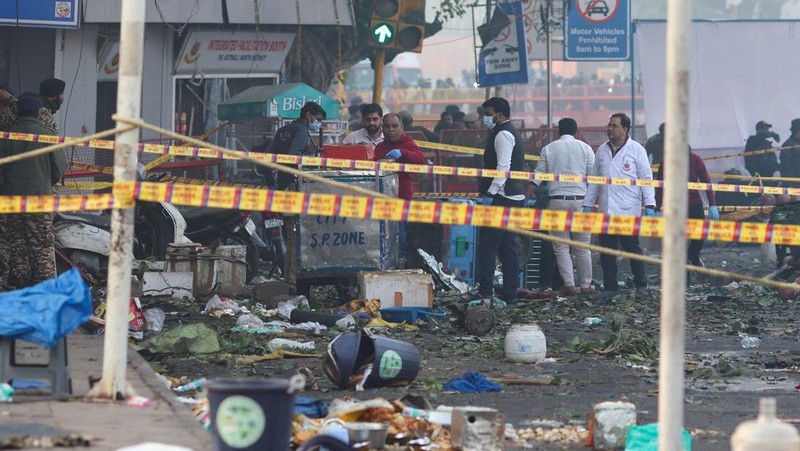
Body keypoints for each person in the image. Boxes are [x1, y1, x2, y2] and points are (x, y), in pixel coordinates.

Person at [583, 112, 656, 297]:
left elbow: (646, 178)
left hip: (627, 210)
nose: (610, 129)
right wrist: (588, 203)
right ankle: (610, 287)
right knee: (606, 251)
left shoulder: (636, 150)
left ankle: (641, 284)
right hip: (606, 209)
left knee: (632, 249)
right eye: (609, 125)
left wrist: (650, 205)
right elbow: (595, 180)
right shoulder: (601, 150)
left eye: (614, 126)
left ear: (625, 129)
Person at [0, 93, 67, 290]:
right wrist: (45, 181)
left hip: (11, 200)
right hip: (39, 199)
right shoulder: (47, 134)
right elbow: (59, 168)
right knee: (42, 245)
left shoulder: (7, 135)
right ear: (39, 112)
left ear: (17, 110)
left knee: (17, 243)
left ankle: (20, 284)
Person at [532, 118, 595, 295]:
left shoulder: (549, 148)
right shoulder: (585, 148)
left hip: (557, 200)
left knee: (560, 246)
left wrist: (527, 193)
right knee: (583, 246)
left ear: (559, 131)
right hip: (581, 201)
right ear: (576, 132)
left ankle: (568, 285)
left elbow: (538, 176)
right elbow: (593, 176)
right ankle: (585, 284)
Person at [476, 97, 526, 305]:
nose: (485, 118)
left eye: (488, 114)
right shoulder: (505, 131)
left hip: (502, 197)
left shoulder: (503, 134)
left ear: (499, 114)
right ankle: (510, 294)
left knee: (488, 246)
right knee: (507, 247)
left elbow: (503, 167)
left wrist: (491, 193)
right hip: (511, 197)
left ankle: (486, 293)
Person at [654, 140, 719, 276]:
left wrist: (712, 204)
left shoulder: (696, 160)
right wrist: (656, 208)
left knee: (698, 239)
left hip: (694, 205)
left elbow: (706, 182)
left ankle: (693, 256)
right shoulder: (666, 164)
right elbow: (660, 188)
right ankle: (684, 279)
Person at [263, 101, 326, 189]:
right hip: (294, 182)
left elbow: (266, 157)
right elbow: (293, 155)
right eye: (318, 119)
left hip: (281, 181)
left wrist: (271, 184)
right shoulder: (302, 131)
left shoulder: (282, 130)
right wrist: (311, 159)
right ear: (308, 115)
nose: (319, 123)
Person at [374, 113, 426, 200]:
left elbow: (420, 158)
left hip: (403, 193)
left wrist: (403, 153)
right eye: (387, 126)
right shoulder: (379, 147)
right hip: (381, 193)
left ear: (401, 127)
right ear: (382, 129)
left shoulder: (408, 143)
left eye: (395, 126)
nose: (391, 129)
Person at [779, 119, 800, 183]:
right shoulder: (788, 145)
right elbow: (785, 168)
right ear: (797, 131)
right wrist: (792, 184)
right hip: (795, 183)